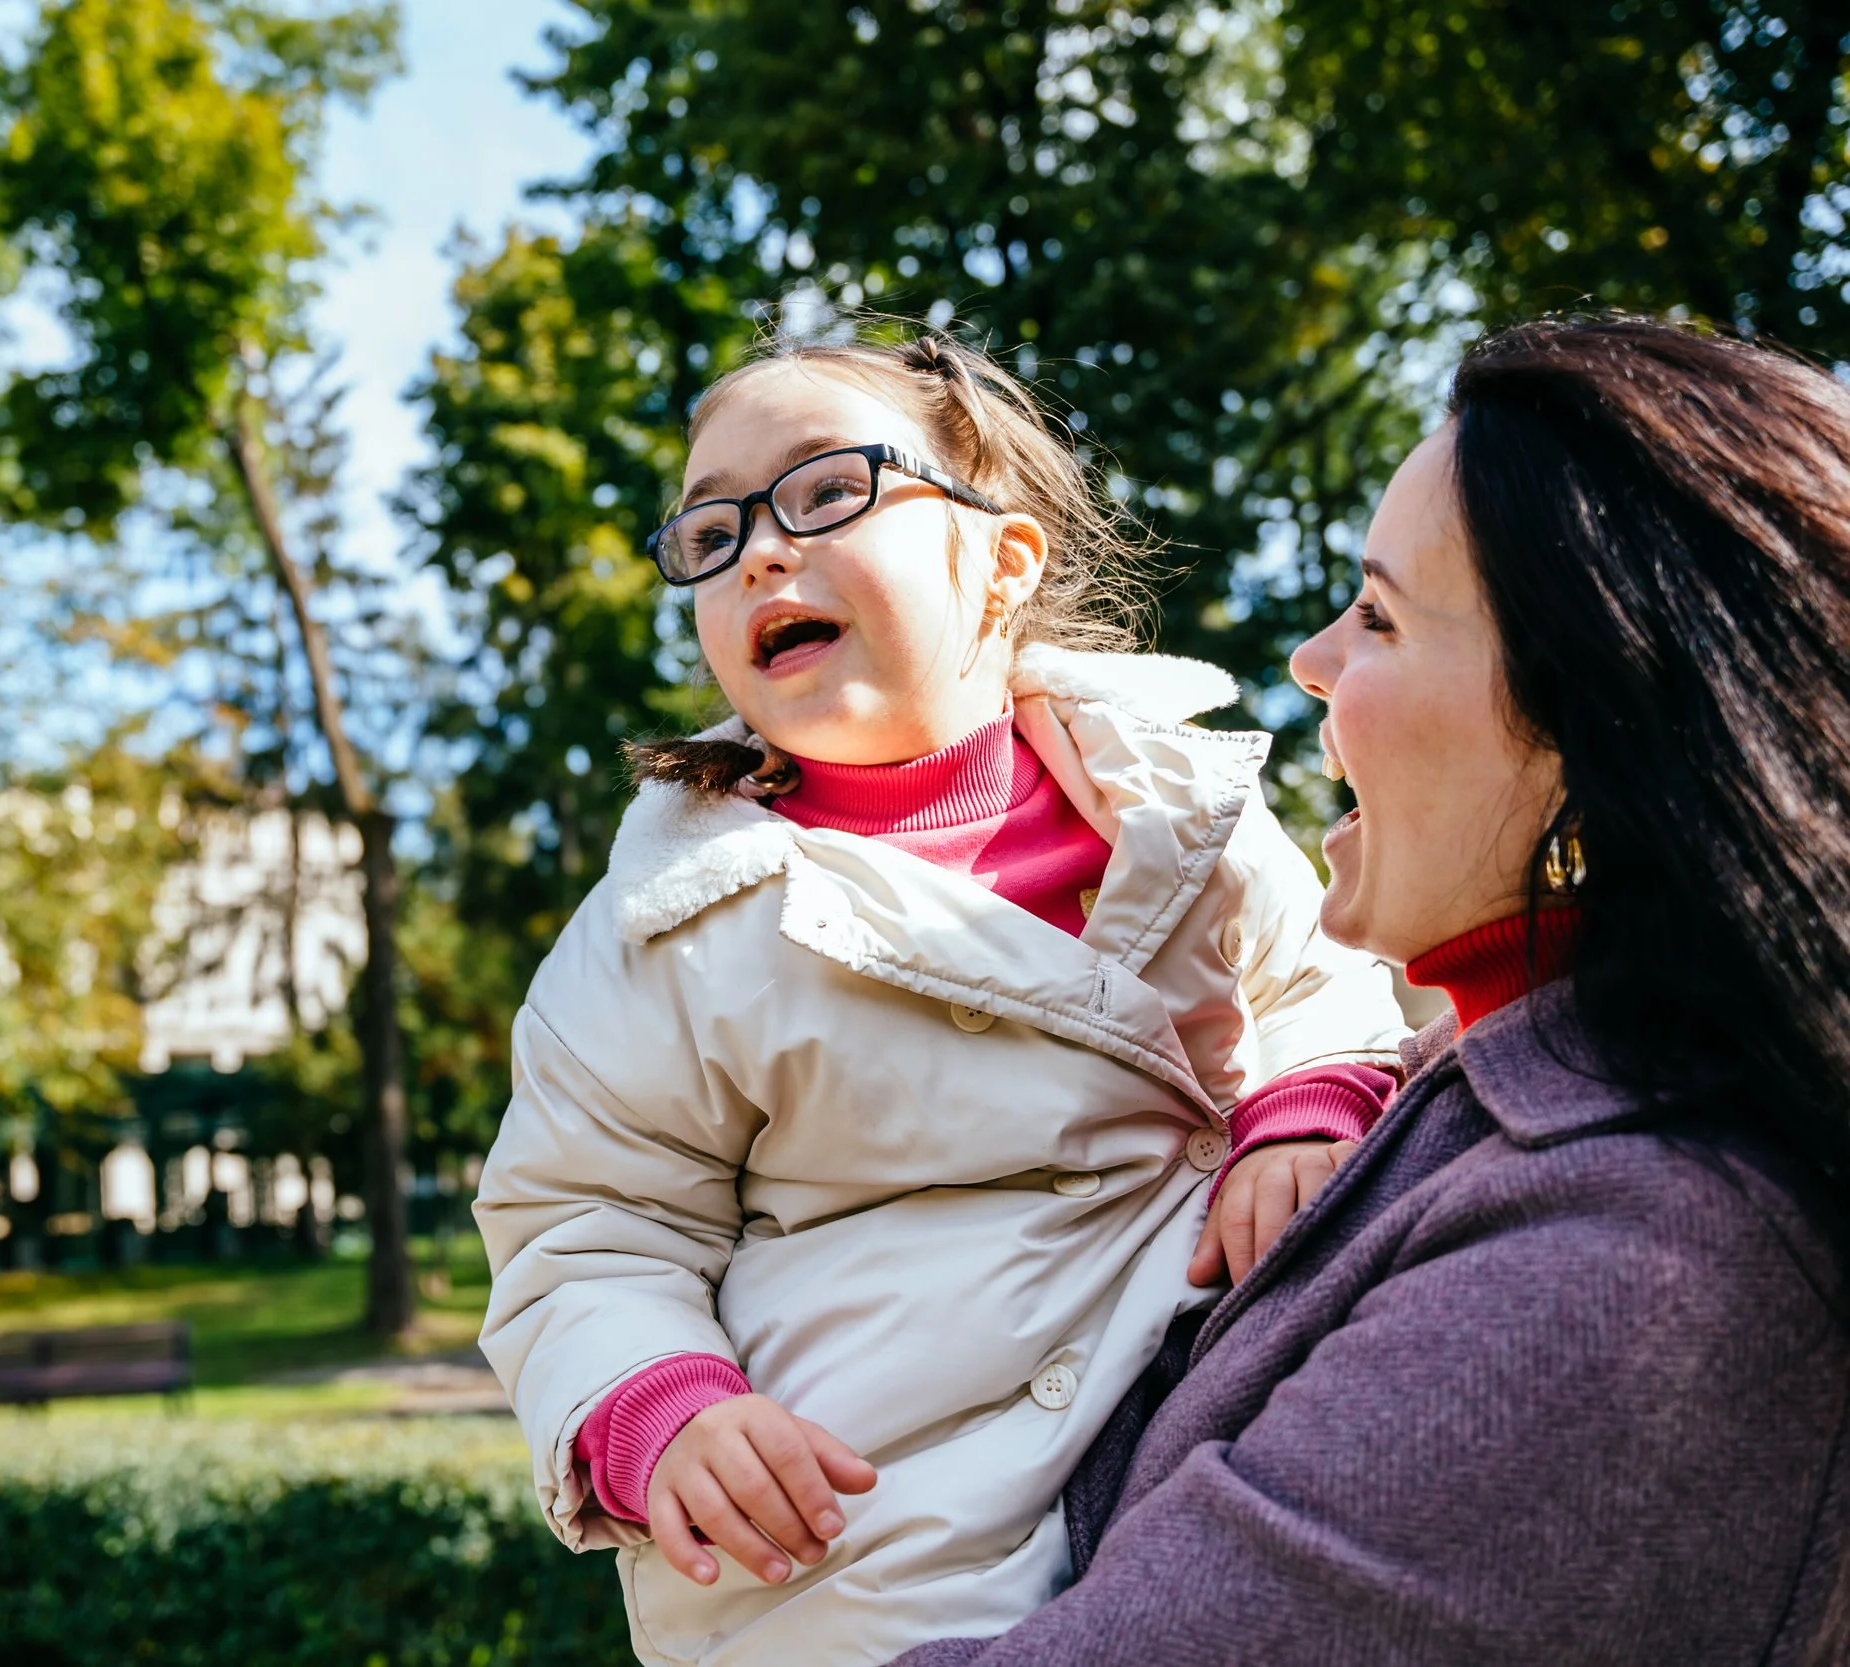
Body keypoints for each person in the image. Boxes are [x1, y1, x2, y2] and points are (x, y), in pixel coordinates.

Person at [892, 314, 1850, 1667]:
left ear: (1590, 733)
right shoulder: (1488, 1104)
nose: (1313, 659)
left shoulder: (1626, 1261)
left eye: (1381, 615)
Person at [474, 329, 1412, 1667]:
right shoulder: (672, 921)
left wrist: (1308, 1102)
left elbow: (1323, 976)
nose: (760, 550)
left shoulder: (1180, 807)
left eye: (826, 491)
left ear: (1004, 563)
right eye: (711, 531)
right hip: (868, 1544)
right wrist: (661, 1407)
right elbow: (586, 1223)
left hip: (1192, 1450)